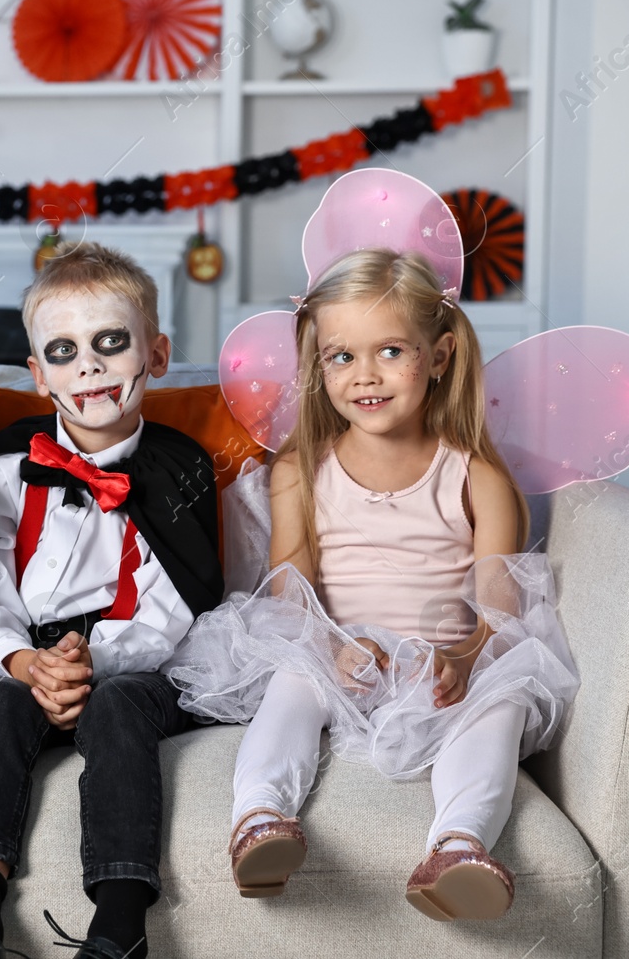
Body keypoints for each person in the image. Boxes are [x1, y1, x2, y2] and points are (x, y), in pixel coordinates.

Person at [170, 245, 579, 921]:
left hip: (443, 655)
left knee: (501, 703)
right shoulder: (300, 469)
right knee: (291, 682)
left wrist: (463, 657)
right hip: (339, 647)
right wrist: (332, 650)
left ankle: (458, 844)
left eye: (391, 350)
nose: (366, 375)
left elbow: (500, 602)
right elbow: (288, 590)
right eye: (342, 356)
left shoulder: (477, 475)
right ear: (317, 364)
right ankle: (260, 818)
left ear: (440, 354)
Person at [0, 243, 223, 959]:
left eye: (110, 343)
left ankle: (121, 925)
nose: (88, 367)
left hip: (133, 659)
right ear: (37, 374)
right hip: (27, 656)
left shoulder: (180, 466)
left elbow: (174, 604)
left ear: (155, 354)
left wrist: (92, 660)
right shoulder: (2, 466)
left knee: (122, 705)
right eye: (63, 351)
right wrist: (27, 660)